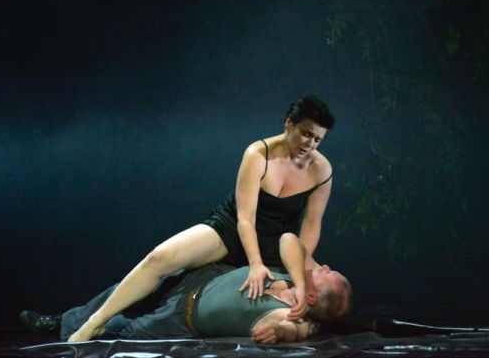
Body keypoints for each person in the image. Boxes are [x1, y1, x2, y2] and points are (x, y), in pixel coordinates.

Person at [68, 95, 336, 342]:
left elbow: (312, 224)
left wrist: (302, 273)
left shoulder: (321, 169)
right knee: (159, 259)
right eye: (306, 134)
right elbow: (245, 218)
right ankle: (93, 321)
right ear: (289, 124)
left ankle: (91, 320)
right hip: (232, 229)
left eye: (317, 140)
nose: (310, 145)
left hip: (274, 246)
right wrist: (254, 263)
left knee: (299, 305)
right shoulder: (258, 154)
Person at [21, 234, 352, 344]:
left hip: (183, 316)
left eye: (327, 273)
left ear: (312, 298)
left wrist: (285, 332)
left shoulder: (292, 317)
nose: (322, 266)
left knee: (122, 328)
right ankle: (68, 320)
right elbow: (288, 240)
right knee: (125, 288)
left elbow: (290, 329)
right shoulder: (298, 277)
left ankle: (61, 327)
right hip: (203, 276)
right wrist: (291, 277)